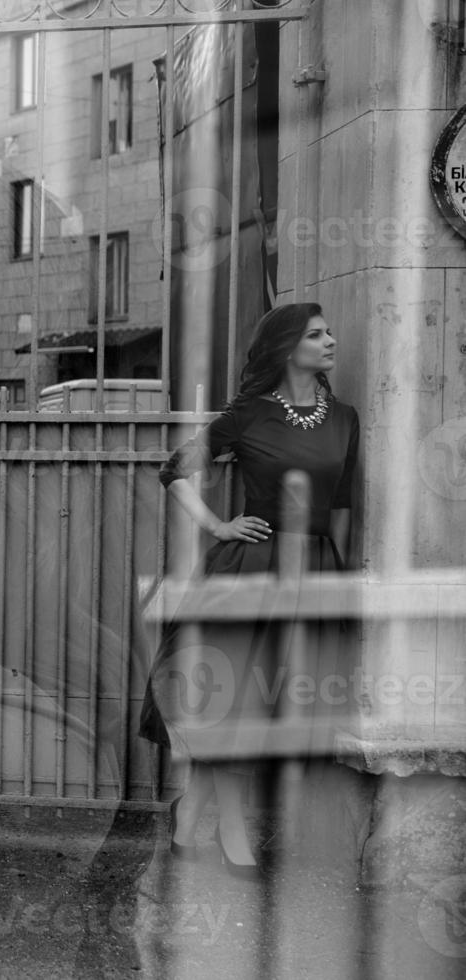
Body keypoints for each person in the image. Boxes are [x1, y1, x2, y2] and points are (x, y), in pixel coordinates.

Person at [139, 302, 359, 877]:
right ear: (288, 349)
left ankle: (189, 820)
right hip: (249, 569)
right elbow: (174, 470)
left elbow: (341, 509)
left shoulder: (345, 418)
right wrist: (218, 524)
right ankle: (231, 834)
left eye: (329, 330)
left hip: (312, 570)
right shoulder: (249, 415)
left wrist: (339, 583)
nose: (331, 340)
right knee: (230, 705)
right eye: (317, 334)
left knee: (263, 704)